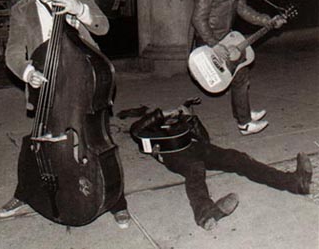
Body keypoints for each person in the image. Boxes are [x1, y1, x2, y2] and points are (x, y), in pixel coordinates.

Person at [0, 0, 130, 229]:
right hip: (46, 82)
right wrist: (28, 72)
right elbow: (13, 52)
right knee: (40, 140)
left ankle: (116, 200)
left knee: (95, 137)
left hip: (83, 78)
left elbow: (102, 27)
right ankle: (26, 192)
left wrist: (79, 10)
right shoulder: (22, 9)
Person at [129, 99, 312, 231]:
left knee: (236, 158)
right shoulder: (149, 132)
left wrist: (191, 118)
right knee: (195, 168)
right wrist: (160, 114)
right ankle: (205, 213)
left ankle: (294, 182)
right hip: (173, 155)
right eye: (161, 113)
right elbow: (135, 131)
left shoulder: (180, 123)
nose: (171, 114)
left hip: (195, 146)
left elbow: (205, 140)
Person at [192, 0, 286, 135]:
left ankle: (244, 116)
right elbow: (198, 20)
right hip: (208, 42)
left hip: (226, 38)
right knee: (241, 76)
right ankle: (244, 122)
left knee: (241, 75)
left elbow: (244, 10)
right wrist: (214, 44)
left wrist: (268, 20)